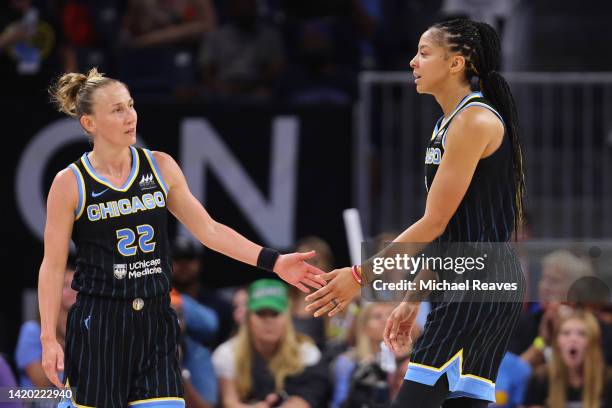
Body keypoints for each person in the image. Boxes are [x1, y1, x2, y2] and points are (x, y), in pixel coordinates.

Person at [37, 68, 325, 408]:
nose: (130, 116)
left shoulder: (160, 166)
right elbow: (53, 267)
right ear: (89, 123)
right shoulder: (70, 183)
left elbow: (210, 230)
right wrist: (48, 338)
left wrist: (273, 261)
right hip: (100, 324)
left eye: (130, 105)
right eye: (117, 110)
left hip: (155, 321)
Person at [306, 17, 526, 407]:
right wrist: (413, 297)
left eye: (424, 53)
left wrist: (360, 274)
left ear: (456, 63)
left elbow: (434, 222)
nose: (413, 62)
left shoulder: (473, 120)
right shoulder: (447, 122)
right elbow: (448, 231)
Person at [212, 279, 329, 408]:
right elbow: (229, 403)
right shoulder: (227, 353)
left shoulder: (306, 352)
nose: (268, 320)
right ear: (249, 318)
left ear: (287, 317)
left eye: (275, 313)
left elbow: (307, 398)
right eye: (261, 313)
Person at [523, 309, 612, 408]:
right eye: (566, 333)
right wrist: (541, 340)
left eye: (582, 334)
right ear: (557, 343)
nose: (573, 339)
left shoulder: (608, 380)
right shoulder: (541, 378)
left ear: (593, 342)